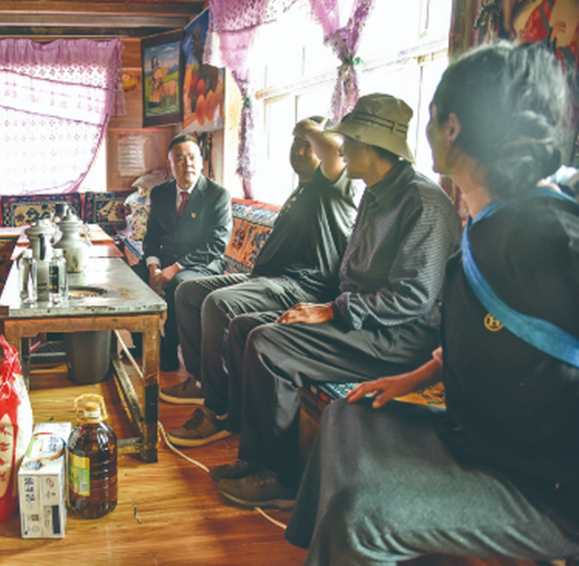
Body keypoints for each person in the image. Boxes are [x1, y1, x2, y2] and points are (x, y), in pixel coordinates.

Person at [287, 41, 579, 565]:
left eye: (431, 115)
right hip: (478, 438)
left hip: (541, 488)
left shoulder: (548, 235)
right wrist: (417, 377)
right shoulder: (490, 221)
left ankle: (349, 543)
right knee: (345, 418)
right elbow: (503, 334)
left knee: (362, 514)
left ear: (452, 128)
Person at [213, 93, 462, 509]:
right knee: (243, 328)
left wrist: (332, 310)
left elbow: (413, 299)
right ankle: (254, 456)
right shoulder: (375, 192)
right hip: (362, 318)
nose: (341, 149)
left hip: (403, 336)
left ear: (371, 146)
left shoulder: (423, 204)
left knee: (269, 344)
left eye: (348, 141)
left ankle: (281, 477)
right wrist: (328, 308)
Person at [164, 116, 358, 448]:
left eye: (307, 146)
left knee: (219, 304)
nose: (299, 151)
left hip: (305, 286)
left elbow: (334, 152)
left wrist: (307, 128)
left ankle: (220, 410)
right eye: (295, 143)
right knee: (188, 291)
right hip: (270, 278)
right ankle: (202, 382)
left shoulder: (334, 187)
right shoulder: (302, 189)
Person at [132, 133, 232, 371]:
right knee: (131, 280)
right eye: (179, 158)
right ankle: (146, 343)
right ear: (170, 165)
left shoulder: (217, 195)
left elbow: (216, 244)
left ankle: (170, 350)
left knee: (179, 284)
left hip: (203, 264)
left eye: (192, 157)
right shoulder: (160, 193)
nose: (187, 164)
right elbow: (152, 236)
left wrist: (175, 268)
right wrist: (153, 266)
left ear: (201, 162)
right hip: (167, 260)